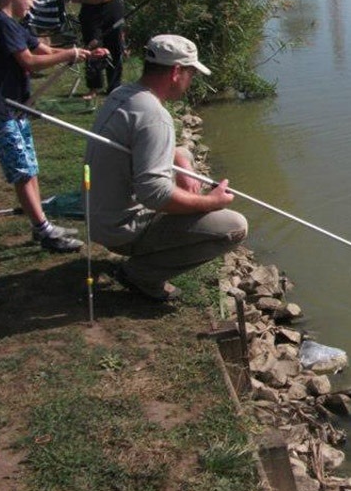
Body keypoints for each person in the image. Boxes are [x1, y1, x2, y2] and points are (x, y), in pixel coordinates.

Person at [85, 35, 248, 302]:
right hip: (121, 228)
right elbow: (154, 195)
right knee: (234, 227)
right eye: (191, 73)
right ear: (176, 72)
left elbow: (137, 144)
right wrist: (209, 202)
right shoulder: (155, 117)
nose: (191, 80)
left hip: (99, 216)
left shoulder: (125, 94)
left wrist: (180, 161)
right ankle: (140, 273)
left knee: (182, 152)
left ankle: (148, 258)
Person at [0, 0, 108, 253]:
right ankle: (45, 232)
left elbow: (44, 52)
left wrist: (83, 53)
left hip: (17, 109)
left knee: (31, 168)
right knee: (22, 172)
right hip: (1, 110)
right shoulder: (2, 24)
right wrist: (69, 55)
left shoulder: (18, 24)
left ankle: (41, 224)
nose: (34, 3)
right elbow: (30, 62)